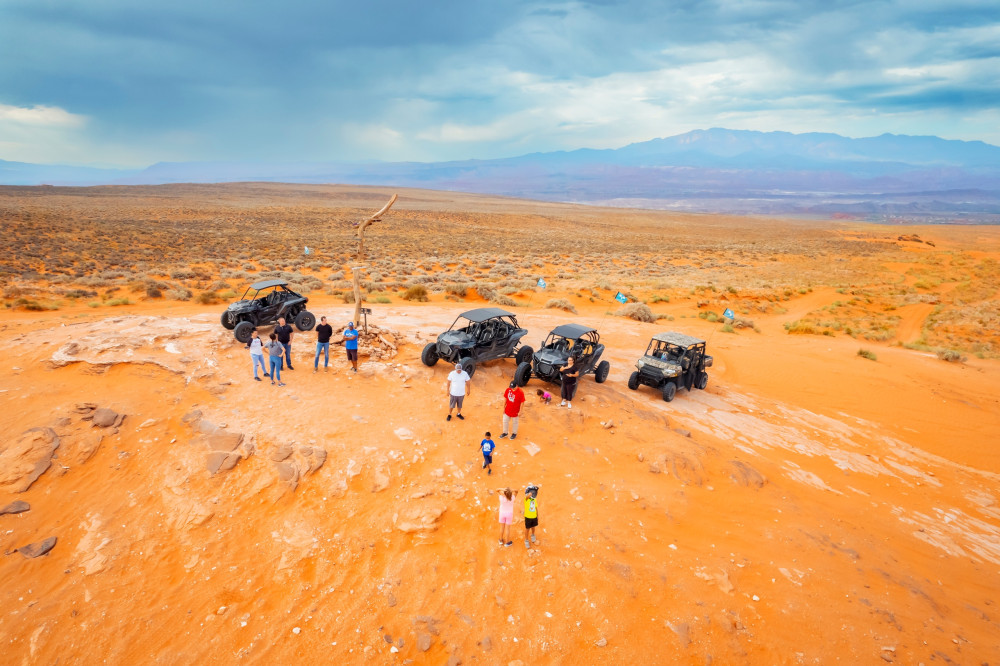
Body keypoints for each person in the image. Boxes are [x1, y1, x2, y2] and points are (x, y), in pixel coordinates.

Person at [523, 484, 540, 549]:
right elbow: (527, 497)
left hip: (534, 517)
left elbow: (536, 508)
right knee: (527, 529)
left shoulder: (534, 500)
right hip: (528, 517)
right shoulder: (526, 499)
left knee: (533, 527)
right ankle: (526, 540)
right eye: (531, 492)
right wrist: (529, 494)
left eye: (533, 493)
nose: (532, 494)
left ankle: (533, 535)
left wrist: (537, 515)